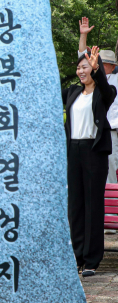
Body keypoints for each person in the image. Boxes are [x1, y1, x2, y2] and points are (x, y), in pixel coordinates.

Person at [62, 44, 116, 277]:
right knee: (75, 205)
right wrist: (82, 39)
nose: (80, 71)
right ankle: (77, 256)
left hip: (94, 152)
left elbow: (105, 87)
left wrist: (96, 70)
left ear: (94, 70)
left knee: (93, 205)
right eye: (78, 68)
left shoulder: (105, 93)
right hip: (73, 150)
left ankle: (92, 260)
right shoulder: (73, 92)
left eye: (84, 67)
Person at [78, 17, 118, 236]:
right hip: (107, 133)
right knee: (109, 174)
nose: (99, 63)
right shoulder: (93, 81)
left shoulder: (109, 82)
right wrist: (83, 36)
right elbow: (81, 59)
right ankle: (110, 219)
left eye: (103, 62)